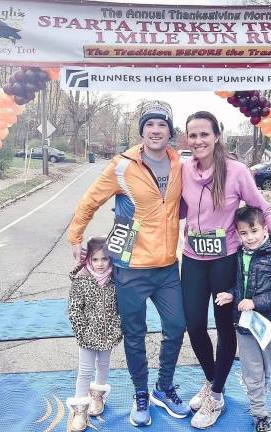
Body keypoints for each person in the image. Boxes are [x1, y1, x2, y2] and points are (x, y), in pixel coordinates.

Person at [68, 101, 190, 427]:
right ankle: (140, 393)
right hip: (131, 267)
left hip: (166, 267)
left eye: (162, 125)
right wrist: (75, 236)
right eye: (149, 125)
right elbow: (91, 199)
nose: (155, 130)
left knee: (177, 326)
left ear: (170, 131)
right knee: (134, 335)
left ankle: (163, 388)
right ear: (142, 131)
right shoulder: (122, 166)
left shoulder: (180, 165)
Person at [180, 111, 271, 429]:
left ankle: (217, 394)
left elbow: (263, 210)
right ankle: (212, 382)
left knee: (225, 329)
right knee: (194, 325)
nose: (198, 141)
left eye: (204, 134)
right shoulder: (183, 170)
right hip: (193, 258)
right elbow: (170, 207)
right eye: (192, 135)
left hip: (225, 260)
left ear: (217, 135)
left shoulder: (236, 171)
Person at [232, 206, 271, 432]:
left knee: (265, 371)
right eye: (243, 233)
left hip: (270, 326)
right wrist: (231, 295)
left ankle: (258, 399)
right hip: (245, 326)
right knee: (253, 372)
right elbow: (239, 285)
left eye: (254, 231)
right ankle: (260, 414)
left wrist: (256, 303)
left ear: (265, 229)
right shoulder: (238, 254)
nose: (250, 238)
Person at [66, 236, 123, 432]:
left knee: (104, 365)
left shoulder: (115, 279)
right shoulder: (81, 279)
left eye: (105, 259)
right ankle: (81, 408)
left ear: (111, 259)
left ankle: (97, 394)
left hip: (108, 334)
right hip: (87, 336)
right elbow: (74, 310)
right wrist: (83, 332)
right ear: (88, 259)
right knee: (85, 370)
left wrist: (117, 326)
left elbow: (121, 307)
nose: (100, 264)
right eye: (96, 259)